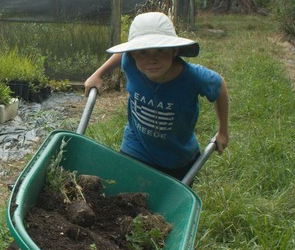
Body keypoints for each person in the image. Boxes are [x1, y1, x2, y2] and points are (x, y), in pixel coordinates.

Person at [84, 11, 229, 183]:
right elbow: (123, 54)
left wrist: (223, 132)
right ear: (133, 54)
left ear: (174, 51)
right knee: (125, 193)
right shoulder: (130, 63)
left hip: (177, 157)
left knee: (168, 205)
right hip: (136, 146)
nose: (152, 59)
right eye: (143, 52)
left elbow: (220, 87)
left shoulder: (193, 77)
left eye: (160, 50)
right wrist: (98, 74)